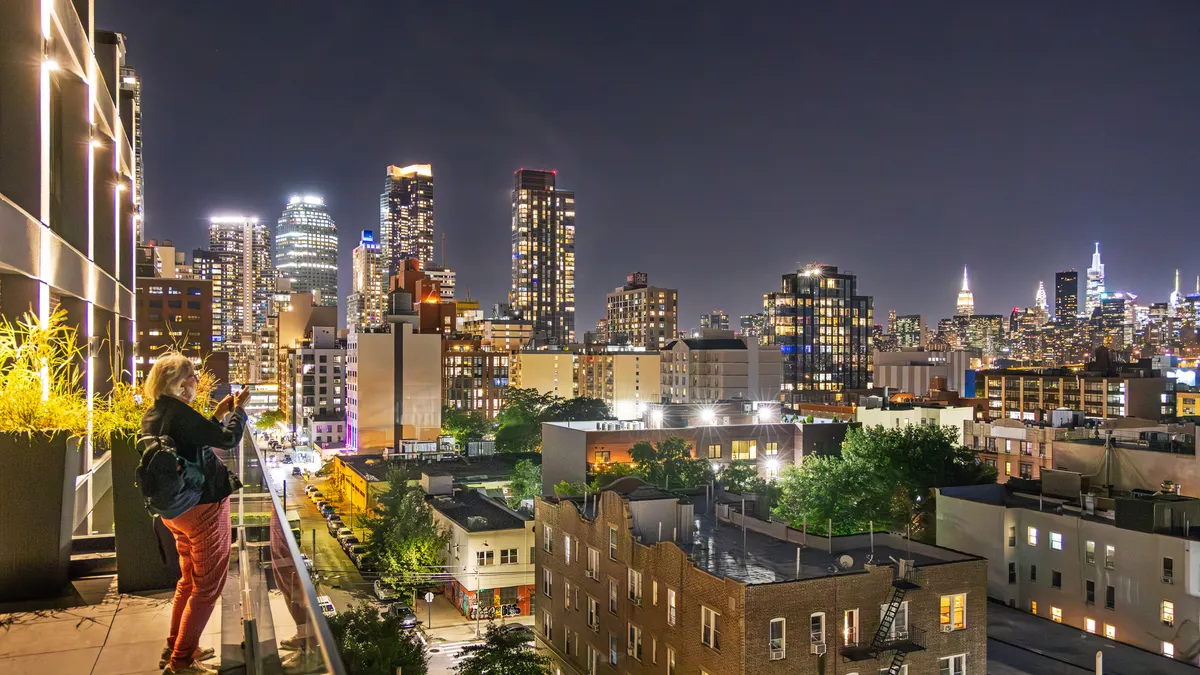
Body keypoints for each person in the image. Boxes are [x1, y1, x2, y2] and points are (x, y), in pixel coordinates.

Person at [141, 353, 250, 675]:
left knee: (189, 581)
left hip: (174, 510)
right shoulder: (181, 415)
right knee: (206, 587)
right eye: (192, 377)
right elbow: (228, 440)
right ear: (179, 382)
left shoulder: (156, 413)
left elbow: (194, 443)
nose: (197, 382)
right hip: (201, 508)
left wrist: (218, 414)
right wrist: (240, 410)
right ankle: (181, 661)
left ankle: (176, 644)